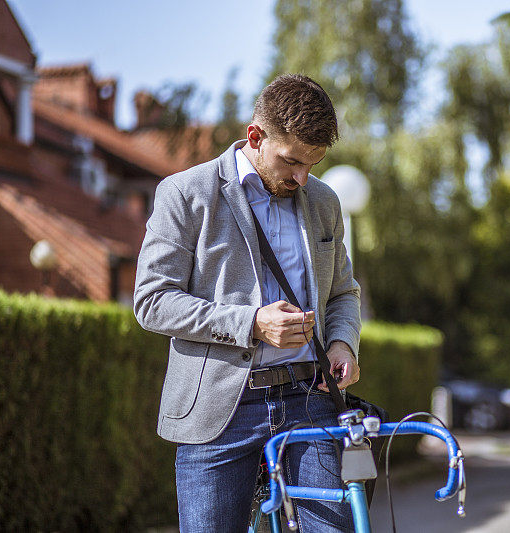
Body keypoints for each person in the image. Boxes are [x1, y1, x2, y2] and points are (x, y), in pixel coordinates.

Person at [133, 74, 361, 533]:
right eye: (292, 161)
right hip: (218, 413)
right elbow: (151, 301)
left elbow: (342, 292)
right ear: (255, 136)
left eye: (313, 164)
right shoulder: (185, 193)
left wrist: (342, 345)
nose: (302, 177)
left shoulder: (324, 202)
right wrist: (251, 323)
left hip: (307, 400)